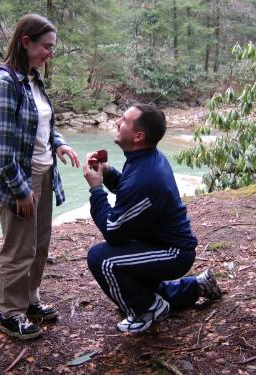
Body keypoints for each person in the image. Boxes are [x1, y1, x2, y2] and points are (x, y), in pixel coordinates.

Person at [83, 104, 221, 333]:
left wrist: (96, 189)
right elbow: (128, 192)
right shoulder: (144, 157)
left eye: (124, 120)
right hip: (160, 244)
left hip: (172, 252)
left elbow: (113, 231)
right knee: (133, 284)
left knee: (101, 258)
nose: (118, 122)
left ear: (138, 136)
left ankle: (147, 309)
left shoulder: (145, 175)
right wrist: (107, 173)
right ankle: (195, 287)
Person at [0, 14, 80, 340]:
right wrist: (21, 191)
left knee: (39, 245)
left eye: (52, 47)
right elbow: (1, 148)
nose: (49, 53)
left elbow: (42, 124)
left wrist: (60, 143)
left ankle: (30, 300)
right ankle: (10, 314)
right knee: (19, 248)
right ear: (26, 42)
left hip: (44, 173)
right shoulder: (2, 83)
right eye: (46, 46)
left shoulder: (33, 79)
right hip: (18, 181)